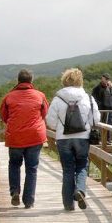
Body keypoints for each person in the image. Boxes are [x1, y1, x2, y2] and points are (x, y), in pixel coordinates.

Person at [46, 68, 100, 211]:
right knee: (82, 166)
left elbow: (50, 122)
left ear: (64, 80)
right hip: (83, 138)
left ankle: (68, 204)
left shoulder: (58, 99)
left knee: (68, 170)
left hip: (63, 139)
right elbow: (96, 119)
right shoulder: (87, 97)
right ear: (80, 80)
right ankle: (80, 190)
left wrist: (61, 126)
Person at [0, 69, 48, 209]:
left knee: (14, 164)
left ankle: (15, 191)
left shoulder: (9, 97)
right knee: (31, 168)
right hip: (35, 136)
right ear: (31, 81)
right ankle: (29, 201)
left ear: (18, 80)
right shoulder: (40, 96)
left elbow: (4, 116)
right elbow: (45, 113)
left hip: (15, 137)